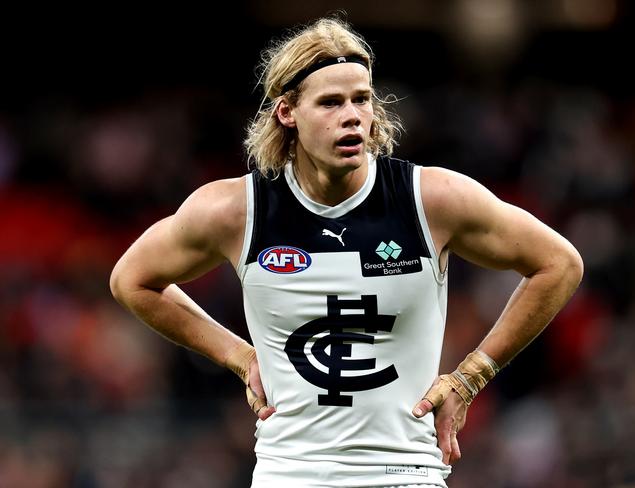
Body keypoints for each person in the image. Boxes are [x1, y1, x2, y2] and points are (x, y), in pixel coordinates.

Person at [110, 16, 583, 488]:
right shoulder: (237, 211)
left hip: (405, 474)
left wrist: (472, 376)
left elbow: (559, 263)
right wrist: (236, 355)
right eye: (331, 103)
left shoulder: (429, 199)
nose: (352, 115)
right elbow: (131, 279)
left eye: (362, 99)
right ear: (287, 113)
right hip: (289, 474)